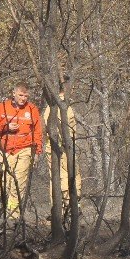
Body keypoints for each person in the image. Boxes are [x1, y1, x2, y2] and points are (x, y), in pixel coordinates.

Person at [0, 83, 43, 218]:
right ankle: (4, 209)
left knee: (18, 183)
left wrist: (37, 152)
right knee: (3, 186)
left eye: (26, 96)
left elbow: (37, 132)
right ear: (13, 94)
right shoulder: (3, 107)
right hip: (5, 151)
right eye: (20, 95)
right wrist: (6, 126)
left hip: (24, 150)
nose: (23, 98)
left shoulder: (32, 109)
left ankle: (14, 216)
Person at [41, 82, 82, 217]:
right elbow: (49, 128)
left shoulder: (64, 105)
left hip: (67, 146)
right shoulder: (57, 106)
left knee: (72, 174)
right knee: (62, 176)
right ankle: (63, 207)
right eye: (72, 86)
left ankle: (72, 206)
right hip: (59, 148)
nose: (74, 89)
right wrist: (63, 144)